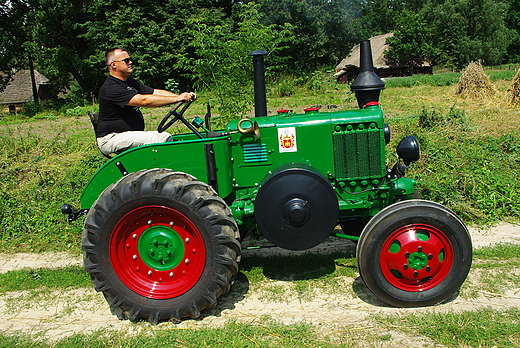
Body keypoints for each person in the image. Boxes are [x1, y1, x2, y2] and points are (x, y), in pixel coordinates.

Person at [96, 47, 197, 155]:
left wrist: (181, 96)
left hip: (126, 134)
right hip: (111, 138)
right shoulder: (111, 88)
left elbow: (154, 92)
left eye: (130, 59)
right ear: (113, 65)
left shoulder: (130, 83)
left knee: (165, 137)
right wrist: (177, 99)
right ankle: (164, 170)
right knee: (159, 140)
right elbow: (144, 101)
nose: (130, 62)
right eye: (126, 60)